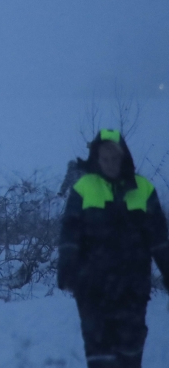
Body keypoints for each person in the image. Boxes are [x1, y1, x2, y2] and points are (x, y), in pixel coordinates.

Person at [58, 129, 169, 368]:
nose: (110, 163)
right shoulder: (84, 188)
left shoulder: (144, 189)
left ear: (124, 157)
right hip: (92, 288)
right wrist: (67, 267)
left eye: (114, 158)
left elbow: (159, 240)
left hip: (132, 289)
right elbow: (70, 233)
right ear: (96, 160)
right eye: (104, 158)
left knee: (130, 354)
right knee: (100, 356)